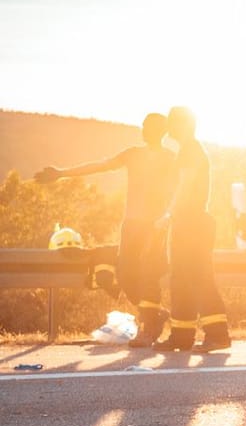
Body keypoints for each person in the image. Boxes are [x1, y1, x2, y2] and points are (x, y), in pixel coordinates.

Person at [36, 113, 178, 346]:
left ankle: (150, 328)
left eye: (147, 126)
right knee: (124, 273)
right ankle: (156, 314)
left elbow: (180, 191)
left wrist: (168, 217)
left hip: (155, 226)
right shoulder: (133, 154)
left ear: (159, 130)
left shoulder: (171, 159)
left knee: (148, 275)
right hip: (131, 224)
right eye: (142, 125)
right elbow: (99, 166)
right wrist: (62, 173)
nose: (143, 129)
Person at [159, 107, 229, 352]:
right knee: (180, 280)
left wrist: (168, 213)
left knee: (198, 278)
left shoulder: (191, 150)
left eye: (171, 122)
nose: (168, 127)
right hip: (185, 221)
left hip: (193, 222)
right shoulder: (187, 150)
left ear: (182, 125)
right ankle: (181, 335)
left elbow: (186, 184)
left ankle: (218, 335)